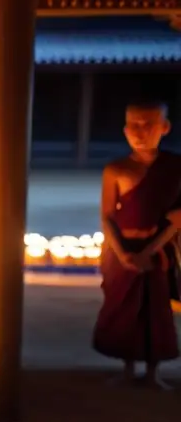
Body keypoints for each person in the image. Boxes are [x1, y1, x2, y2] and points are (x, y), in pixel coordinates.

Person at [92, 100, 181, 388]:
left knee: (156, 311)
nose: (140, 133)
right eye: (134, 126)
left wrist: (149, 251)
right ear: (124, 130)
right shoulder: (115, 169)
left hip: (158, 250)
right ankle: (128, 368)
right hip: (122, 250)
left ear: (165, 128)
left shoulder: (175, 169)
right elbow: (106, 217)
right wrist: (123, 255)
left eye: (149, 125)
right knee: (122, 309)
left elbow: (178, 218)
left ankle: (153, 372)